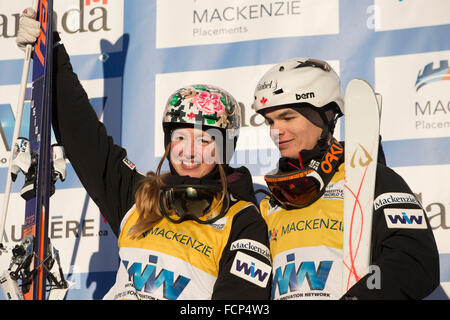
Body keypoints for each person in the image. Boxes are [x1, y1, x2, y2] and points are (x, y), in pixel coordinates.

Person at [16, 8, 271, 300]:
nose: (188, 152)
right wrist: (50, 51)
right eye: (179, 137)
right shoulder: (141, 197)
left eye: (203, 140)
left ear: (225, 148)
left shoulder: (242, 220)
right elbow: (83, 135)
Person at [251, 57, 440, 300]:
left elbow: (414, 260)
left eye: (288, 117)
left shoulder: (370, 178)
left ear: (327, 115)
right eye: (270, 121)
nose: (276, 131)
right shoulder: (271, 201)